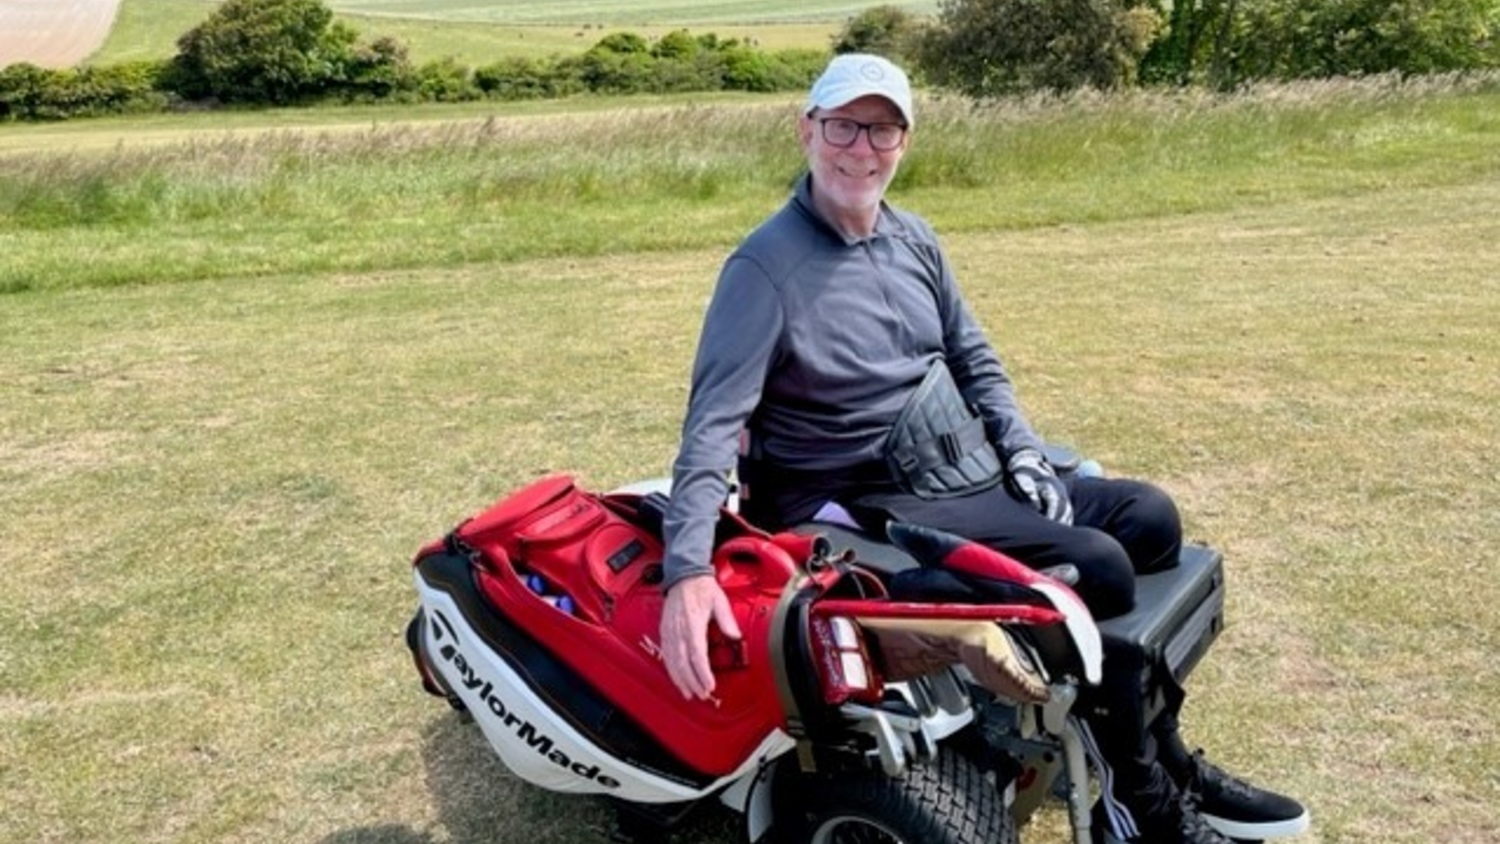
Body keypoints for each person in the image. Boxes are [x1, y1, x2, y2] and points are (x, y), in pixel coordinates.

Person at [657, 53, 1308, 844]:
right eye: (843, 126)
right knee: (1097, 566)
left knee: (1152, 519)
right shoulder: (764, 268)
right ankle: (1133, 798)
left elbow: (975, 359)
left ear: (905, 140)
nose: (862, 148)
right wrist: (687, 571)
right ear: (807, 130)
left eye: (884, 128)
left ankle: (1162, 758)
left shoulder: (914, 238)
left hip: (953, 462)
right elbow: (713, 423)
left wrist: (1025, 452)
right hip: (861, 500)